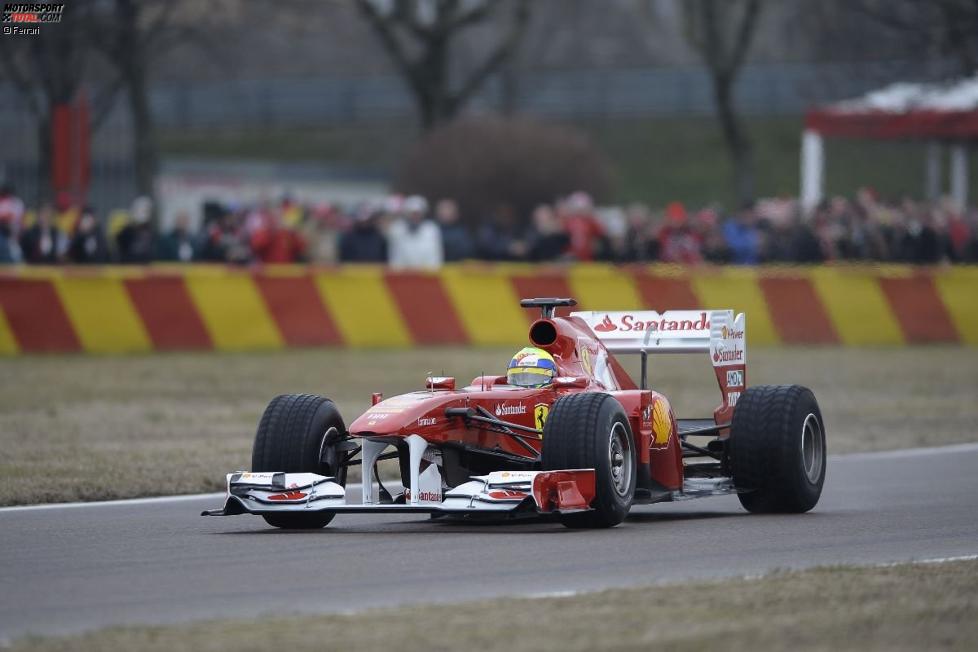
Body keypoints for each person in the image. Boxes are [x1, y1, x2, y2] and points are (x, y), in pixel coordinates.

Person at [387, 195, 443, 270]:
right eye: (412, 213)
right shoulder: (397, 229)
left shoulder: (431, 229)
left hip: (427, 275)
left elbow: (435, 254)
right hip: (403, 275)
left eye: (418, 213)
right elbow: (395, 255)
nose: (415, 216)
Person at [116, 196, 156, 263]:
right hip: (129, 268)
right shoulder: (127, 231)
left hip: (145, 268)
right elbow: (120, 245)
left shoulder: (150, 230)